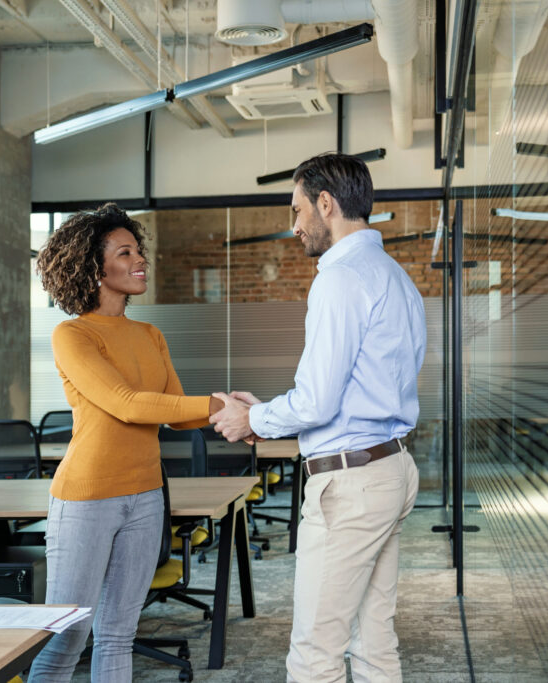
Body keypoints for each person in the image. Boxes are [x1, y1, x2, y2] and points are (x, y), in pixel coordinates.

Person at [210, 153, 426, 682]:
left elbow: (318, 402)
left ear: (326, 204)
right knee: (374, 644)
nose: (295, 225)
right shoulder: (394, 277)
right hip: (391, 471)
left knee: (315, 652)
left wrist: (251, 421)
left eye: (298, 208)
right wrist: (264, 410)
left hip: (351, 487)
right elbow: (351, 391)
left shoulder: (341, 277)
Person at [27, 203, 223, 682]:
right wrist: (219, 405)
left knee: (118, 635)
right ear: (94, 267)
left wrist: (234, 409)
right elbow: (128, 404)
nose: (140, 260)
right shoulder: (72, 334)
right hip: (87, 498)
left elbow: (175, 414)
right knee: (66, 638)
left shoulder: (150, 334)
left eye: (138, 250)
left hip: (145, 497)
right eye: (125, 252)